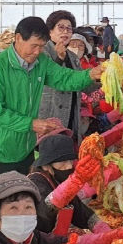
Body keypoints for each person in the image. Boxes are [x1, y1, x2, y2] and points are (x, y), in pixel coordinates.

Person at [0, 16, 103, 204]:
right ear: (18, 38)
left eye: (42, 46)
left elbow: (64, 78)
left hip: (24, 148)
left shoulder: (41, 62)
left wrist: (90, 74)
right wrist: (31, 124)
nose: (37, 52)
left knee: (22, 203)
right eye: (34, 46)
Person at [28, 134, 112, 235]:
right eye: (63, 163)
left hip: (55, 241)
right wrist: (75, 182)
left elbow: (81, 212)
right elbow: (45, 210)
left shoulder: (58, 180)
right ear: (46, 166)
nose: (69, 166)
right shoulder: (36, 182)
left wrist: (103, 229)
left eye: (71, 161)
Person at [38, 11, 96, 144]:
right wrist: (59, 58)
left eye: (69, 28)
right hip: (50, 115)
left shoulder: (73, 57)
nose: (65, 32)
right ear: (50, 31)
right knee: (51, 154)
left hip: (71, 113)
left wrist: (106, 80)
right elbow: (50, 78)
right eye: (61, 27)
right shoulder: (42, 52)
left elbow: (83, 84)